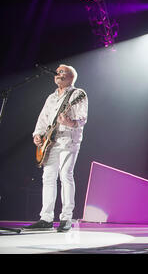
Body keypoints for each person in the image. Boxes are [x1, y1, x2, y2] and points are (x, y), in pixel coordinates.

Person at [23, 64, 88, 232]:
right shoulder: (51, 97)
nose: (57, 74)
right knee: (48, 177)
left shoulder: (78, 94)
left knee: (65, 175)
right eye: (57, 72)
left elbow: (82, 118)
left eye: (61, 72)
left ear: (70, 77)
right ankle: (46, 218)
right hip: (51, 142)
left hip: (69, 140)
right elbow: (43, 118)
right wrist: (38, 134)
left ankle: (66, 218)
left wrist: (70, 122)